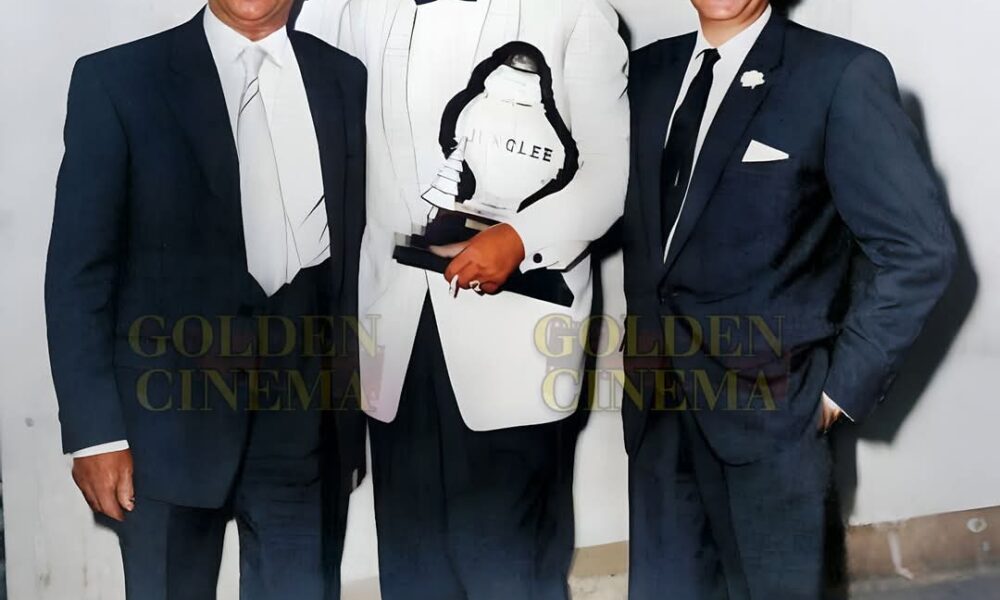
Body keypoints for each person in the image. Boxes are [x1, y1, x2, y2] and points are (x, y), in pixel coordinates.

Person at [621, 1, 956, 598]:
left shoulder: (839, 74)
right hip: (657, 406)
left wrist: (837, 390)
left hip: (773, 416)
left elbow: (919, 250)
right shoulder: (643, 73)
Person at [297, 0, 628, 597]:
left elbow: (611, 173)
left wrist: (521, 239)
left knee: (508, 570)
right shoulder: (358, 11)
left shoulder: (576, 13)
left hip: (516, 338)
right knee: (413, 567)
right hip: (394, 333)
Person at [44, 1, 367, 598]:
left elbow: (350, 259)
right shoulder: (118, 79)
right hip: (164, 428)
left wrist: (346, 421)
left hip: (304, 422)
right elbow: (78, 273)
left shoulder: (343, 78)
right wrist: (95, 435)